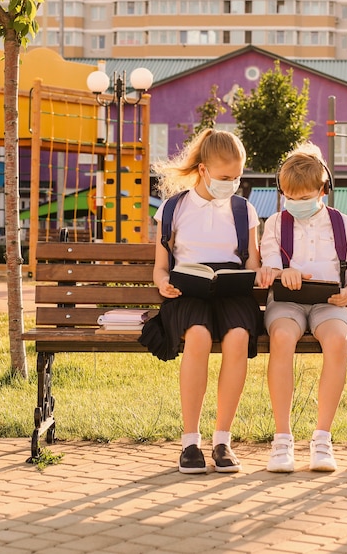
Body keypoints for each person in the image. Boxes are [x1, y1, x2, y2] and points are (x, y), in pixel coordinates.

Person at [139, 128, 271, 474]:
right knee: (196, 336)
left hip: (231, 289)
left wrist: (262, 274)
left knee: (239, 337)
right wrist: (163, 283)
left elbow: (252, 264)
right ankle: (190, 443)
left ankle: (223, 440)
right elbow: (161, 267)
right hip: (188, 289)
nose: (233, 183)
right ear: (202, 170)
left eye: (237, 176)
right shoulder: (173, 209)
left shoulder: (244, 210)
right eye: (225, 177)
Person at [259, 143, 347, 472]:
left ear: (323, 190)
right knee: (281, 338)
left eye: (305, 198)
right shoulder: (276, 223)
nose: (297, 205)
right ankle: (282, 439)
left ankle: (322, 438)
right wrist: (280, 273)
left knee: (337, 340)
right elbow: (269, 267)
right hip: (287, 303)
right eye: (291, 198)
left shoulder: (342, 223)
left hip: (328, 303)